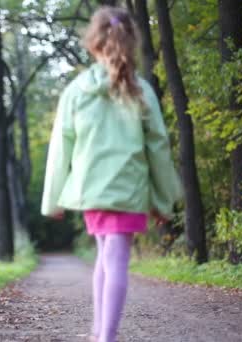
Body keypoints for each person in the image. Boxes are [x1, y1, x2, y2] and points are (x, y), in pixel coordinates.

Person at [40, 6, 183, 342]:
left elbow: (60, 147)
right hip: (128, 190)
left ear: (93, 43)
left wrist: (54, 200)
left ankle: (99, 333)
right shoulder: (141, 90)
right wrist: (163, 200)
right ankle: (105, 336)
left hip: (93, 190)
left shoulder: (76, 91)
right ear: (130, 42)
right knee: (114, 257)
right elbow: (158, 149)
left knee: (107, 256)